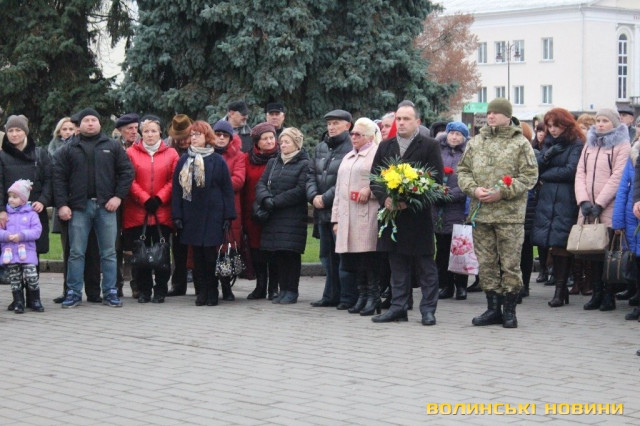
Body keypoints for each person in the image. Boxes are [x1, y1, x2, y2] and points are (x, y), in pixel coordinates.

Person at [457, 98, 538, 328]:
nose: (490, 116)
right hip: (481, 213)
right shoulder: (476, 141)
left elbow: (529, 176)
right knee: (486, 264)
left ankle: (510, 310)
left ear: (507, 116)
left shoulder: (520, 143)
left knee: (510, 264)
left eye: (496, 113)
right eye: (489, 112)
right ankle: (493, 308)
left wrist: (502, 192)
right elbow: (463, 170)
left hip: (509, 216)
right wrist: (474, 189)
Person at [370, 101, 444, 325]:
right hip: (393, 218)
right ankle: (398, 307)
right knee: (397, 265)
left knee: (425, 266)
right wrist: (386, 198)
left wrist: (409, 201)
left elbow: (435, 181)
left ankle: (428, 310)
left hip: (418, 218)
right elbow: (375, 178)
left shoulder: (429, 145)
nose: (401, 123)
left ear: (417, 122)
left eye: (406, 119)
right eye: (399, 119)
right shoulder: (386, 146)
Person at [53, 107, 134, 308]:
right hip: (78, 208)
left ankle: (110, 292)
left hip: (106, 207)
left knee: (109, 252)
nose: (90, 123)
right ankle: (73, 292)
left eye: (94, 120)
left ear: (99, 123)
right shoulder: (68, 149)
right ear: (79, 125)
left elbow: (127, 172)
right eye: (86, 120)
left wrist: (118, 197)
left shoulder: (112, 146)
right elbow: (59, 179)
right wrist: (62, 205)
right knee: (76, 252)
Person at [171, 120, 236, 306]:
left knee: (210, 255)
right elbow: (177, 189)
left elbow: (226, 189)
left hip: (213, 213)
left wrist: (228, 215)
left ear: (206, 137)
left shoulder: (217, 160)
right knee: (196, 256)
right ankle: (201, 291)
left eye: (197, 135)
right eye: (192, 135)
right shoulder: (184, 160)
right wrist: (177, 215)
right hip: (191, 214)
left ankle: (212, 290)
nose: (193, 138)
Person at [577, 108, 630, 312]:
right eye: (598, 120)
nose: (600, 124)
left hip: (608, 206)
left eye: (605, 120)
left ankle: (609, 294)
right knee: (593, 252)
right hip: (588, 207)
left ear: (614, 123)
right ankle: (596, 293)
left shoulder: (622, 145)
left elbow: (618, 176)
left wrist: (600, 203)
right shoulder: (590, 143)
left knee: (609, 251)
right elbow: (580, 172)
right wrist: (583, 200)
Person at [531, 108, 584, 307]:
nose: (552, 130)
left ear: (566, 124)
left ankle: (560, 290)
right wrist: (547, 156)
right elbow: (536, 168)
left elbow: (571, 171)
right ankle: (560, 289)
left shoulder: (576, 143)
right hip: (547, 199)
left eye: (556, 126)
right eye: (549, 126)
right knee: (552, 243)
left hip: (566, 198)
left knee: (562, 243)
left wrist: (545, 175)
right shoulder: (549, 143)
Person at [123, 117, 178, 303]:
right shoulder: (131, 153)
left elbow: (174, 179)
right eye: (146, 131)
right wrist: (145, 198)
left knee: (162, 254)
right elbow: (128, 178)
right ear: (141, 133)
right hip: (138, 212)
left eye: (153, 131)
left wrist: (160, 198)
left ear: (160, 132)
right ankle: (144, 290)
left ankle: (161, 289)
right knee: (141, 255)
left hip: (162, 212)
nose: (150, 135)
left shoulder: (171, 154)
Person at [1, 115, 52, 312]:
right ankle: (17, 298)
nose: (14, 134)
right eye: (11, 131)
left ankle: (33, 297)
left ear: (26, 132)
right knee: (13, 255)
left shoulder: (40, 154)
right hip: (9, 214)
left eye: (18, 130)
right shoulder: (2, 156)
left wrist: (43, 201)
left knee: (32, 253)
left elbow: (49, 180)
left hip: (33, 212)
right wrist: (1, 210)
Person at [331, 118, 382, 315]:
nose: (353, 137)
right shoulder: (348, 156)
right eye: (352, 134)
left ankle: (373, 297)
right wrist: (335, 219)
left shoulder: (376, 153)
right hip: (347, 216)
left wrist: (370, 190)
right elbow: (338, 190)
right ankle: (362, 296)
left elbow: (384, 180)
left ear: (369, 136)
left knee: (368, 258)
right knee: (355, 260)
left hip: (366, 215)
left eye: (358, 134)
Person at [307, 109, 356, 309]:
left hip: (340, 210)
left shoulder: (351, 147)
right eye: (329, 124)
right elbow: (311, 174)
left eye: (336, 123)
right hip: (322, 211)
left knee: (343, 256)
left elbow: (346, 179)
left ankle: (348, 296)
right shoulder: (321, 147)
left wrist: (325, 198)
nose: (331, 127)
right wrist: (313, 196)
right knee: (326, 256)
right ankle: (330, 294)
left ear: (347, 126)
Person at [255, 127, 309, 304]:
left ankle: (291, 290)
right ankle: (282, 289)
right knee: (278, 253)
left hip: (292, 217)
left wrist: (276, 201)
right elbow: (261, 184)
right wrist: (265, 199)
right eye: (282, 142)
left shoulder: (304, 163)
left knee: (290, 254)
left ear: (296, 144)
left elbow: (300, 190)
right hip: (274, 217)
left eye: (287, 142)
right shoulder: (273, 162)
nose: (283, 145)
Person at [242, 122, 280, 300]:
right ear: (257, 142)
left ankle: (274, 287)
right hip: (252, 211)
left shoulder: (281, 157)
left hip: (274, 210)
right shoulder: (247, 159)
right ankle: (260, 286)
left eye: (272, 137)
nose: (270, 141)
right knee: (256, 250)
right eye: (265, 139)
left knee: (273, 250)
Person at [434, 121, 470, 301]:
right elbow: (431, 173)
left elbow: (468, 181)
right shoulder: (438, 151)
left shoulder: (467, 154)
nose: (454, 137)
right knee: (442, 249)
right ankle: (445, 284)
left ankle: (461, 285)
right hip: (438, 208)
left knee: (459, 249)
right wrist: (436, 191)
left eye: (458, 134)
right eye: (452, 133)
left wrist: (450, 195)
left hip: (457, 209)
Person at [211, 120, 247, 301]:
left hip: (229, 208)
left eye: (225, 135)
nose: (221, 138)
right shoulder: (206, 153)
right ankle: (209, 286)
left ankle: (226, 286)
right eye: (217, 134)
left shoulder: (238, 156)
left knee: (227, 247)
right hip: (209, 209)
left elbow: (238, 180)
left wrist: (214, 185)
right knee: (209, 248)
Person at [0, 179, 43, 313]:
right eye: (10, 196)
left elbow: (37, 231)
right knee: (15, 277)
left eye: (15, 197)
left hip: (27, 252)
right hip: (11, 252)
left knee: (31, 275)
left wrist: (22, 235)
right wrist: (6, 236)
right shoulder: (5, 215)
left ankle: (35, 300)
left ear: (24, 200)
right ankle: (18, 301)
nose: (11, 200)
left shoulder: (31, 214)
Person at [166, 114, 193, 297]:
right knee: (177, 247)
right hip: (175, 202)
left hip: (195, 204)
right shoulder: (169, 150)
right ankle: (178, 283)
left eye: (186, 137)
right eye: (179, 138)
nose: (183, 141)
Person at [614, 138, 640, 320]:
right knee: (637, 262)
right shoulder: (634, 156)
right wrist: (618, 221)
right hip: (633, 217)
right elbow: (624, 189)